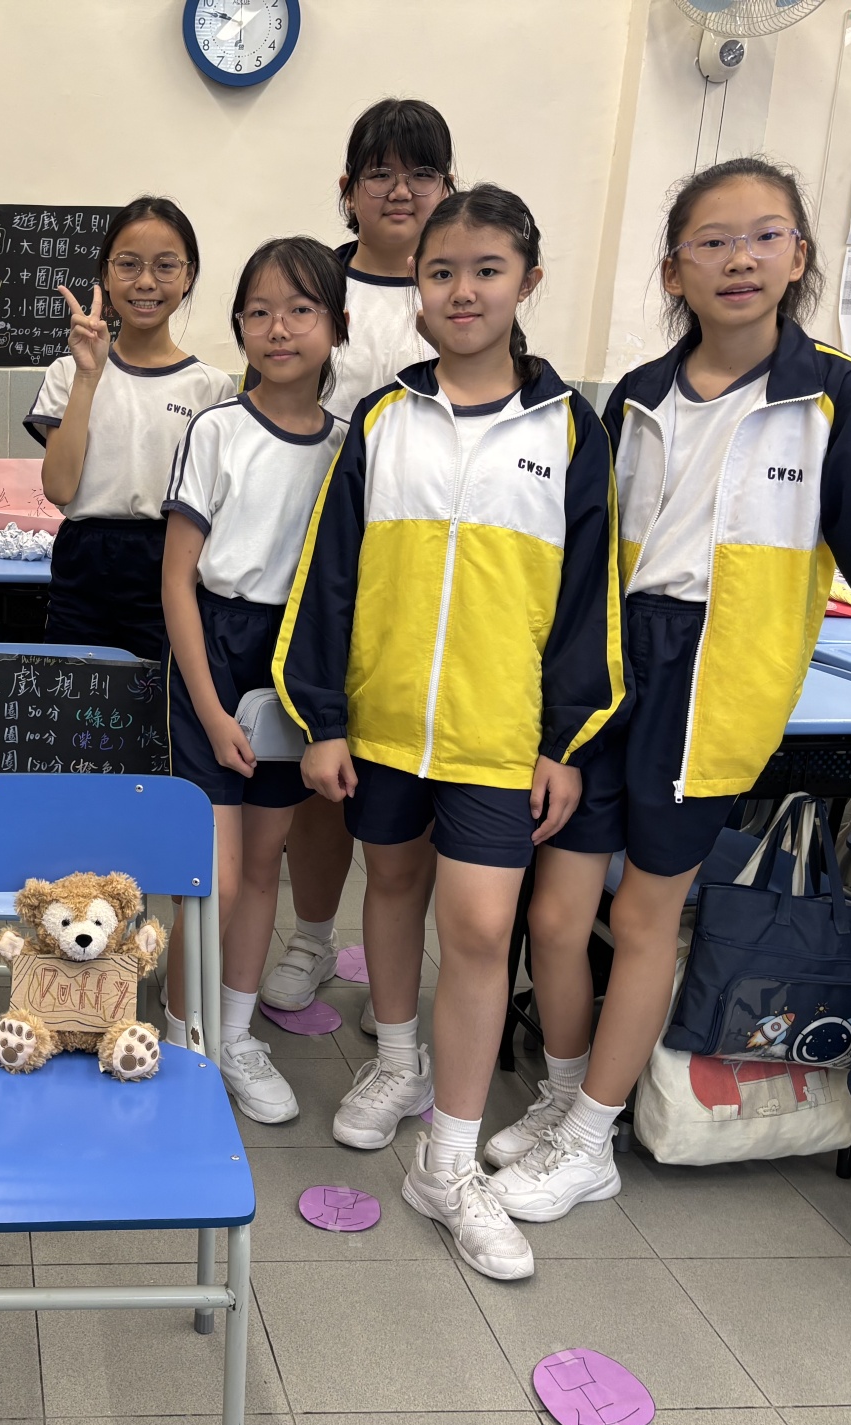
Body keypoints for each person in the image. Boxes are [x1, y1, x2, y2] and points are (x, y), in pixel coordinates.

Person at [488, 156, 851, 1223]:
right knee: (558, 912)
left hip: (709, 691)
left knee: (642, 916)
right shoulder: (634, 397)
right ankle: (564, 1096)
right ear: (673, 268)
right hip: (610, 674)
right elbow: (579, 562)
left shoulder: (833, 402)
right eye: (711, 241)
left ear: (799, 256)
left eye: (765, 236)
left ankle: (590, 1140)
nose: (739, 259)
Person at [276, 185, 624, 1279]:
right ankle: (396, 1059)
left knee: (478, 929)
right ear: (414, 290)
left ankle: (449, 1160)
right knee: (390, 886)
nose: (462, 290)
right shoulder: (383, 420)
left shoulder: (569, 429)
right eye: (441, 272)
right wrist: (324, 720)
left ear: (528, 280)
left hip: (497, 737)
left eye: (486, 269)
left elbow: (589, 602)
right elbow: (330, 580)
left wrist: (562, 741)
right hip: (382, 728)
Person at [262, 97, 456, 1022]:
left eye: (421, 173)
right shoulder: (315, 285)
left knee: (398, 773)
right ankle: (309, 936)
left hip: (423, 575)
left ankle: (393, 968)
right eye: (380, 172)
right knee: (318, 761)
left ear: (447, 188)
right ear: (348, 189)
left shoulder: (457, 294)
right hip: (314, 562)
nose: (400, 190)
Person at [161, 237, 349, 1121]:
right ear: (238, 325)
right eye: (260, 312)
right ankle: (180, 1034)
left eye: (301, 310)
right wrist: (207, 707)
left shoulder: (349, 448)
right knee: (217, 875)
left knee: (265, 859)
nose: (279, 329)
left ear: (336, 326)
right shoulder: (217, 430)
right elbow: (177, 581)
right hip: (215, 650)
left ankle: (234, 1036)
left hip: (297, 659)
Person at [24, 196, 235, 658]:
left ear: (188, 276)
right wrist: (88, 376)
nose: (145, 282)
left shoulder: (212, 388)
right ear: (105, 272)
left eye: (165, 266)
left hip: (170, 562)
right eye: (128, 264)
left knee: (158, 697)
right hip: (82, 566)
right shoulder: (68, 371)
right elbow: (59, 488)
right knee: (72, 691)